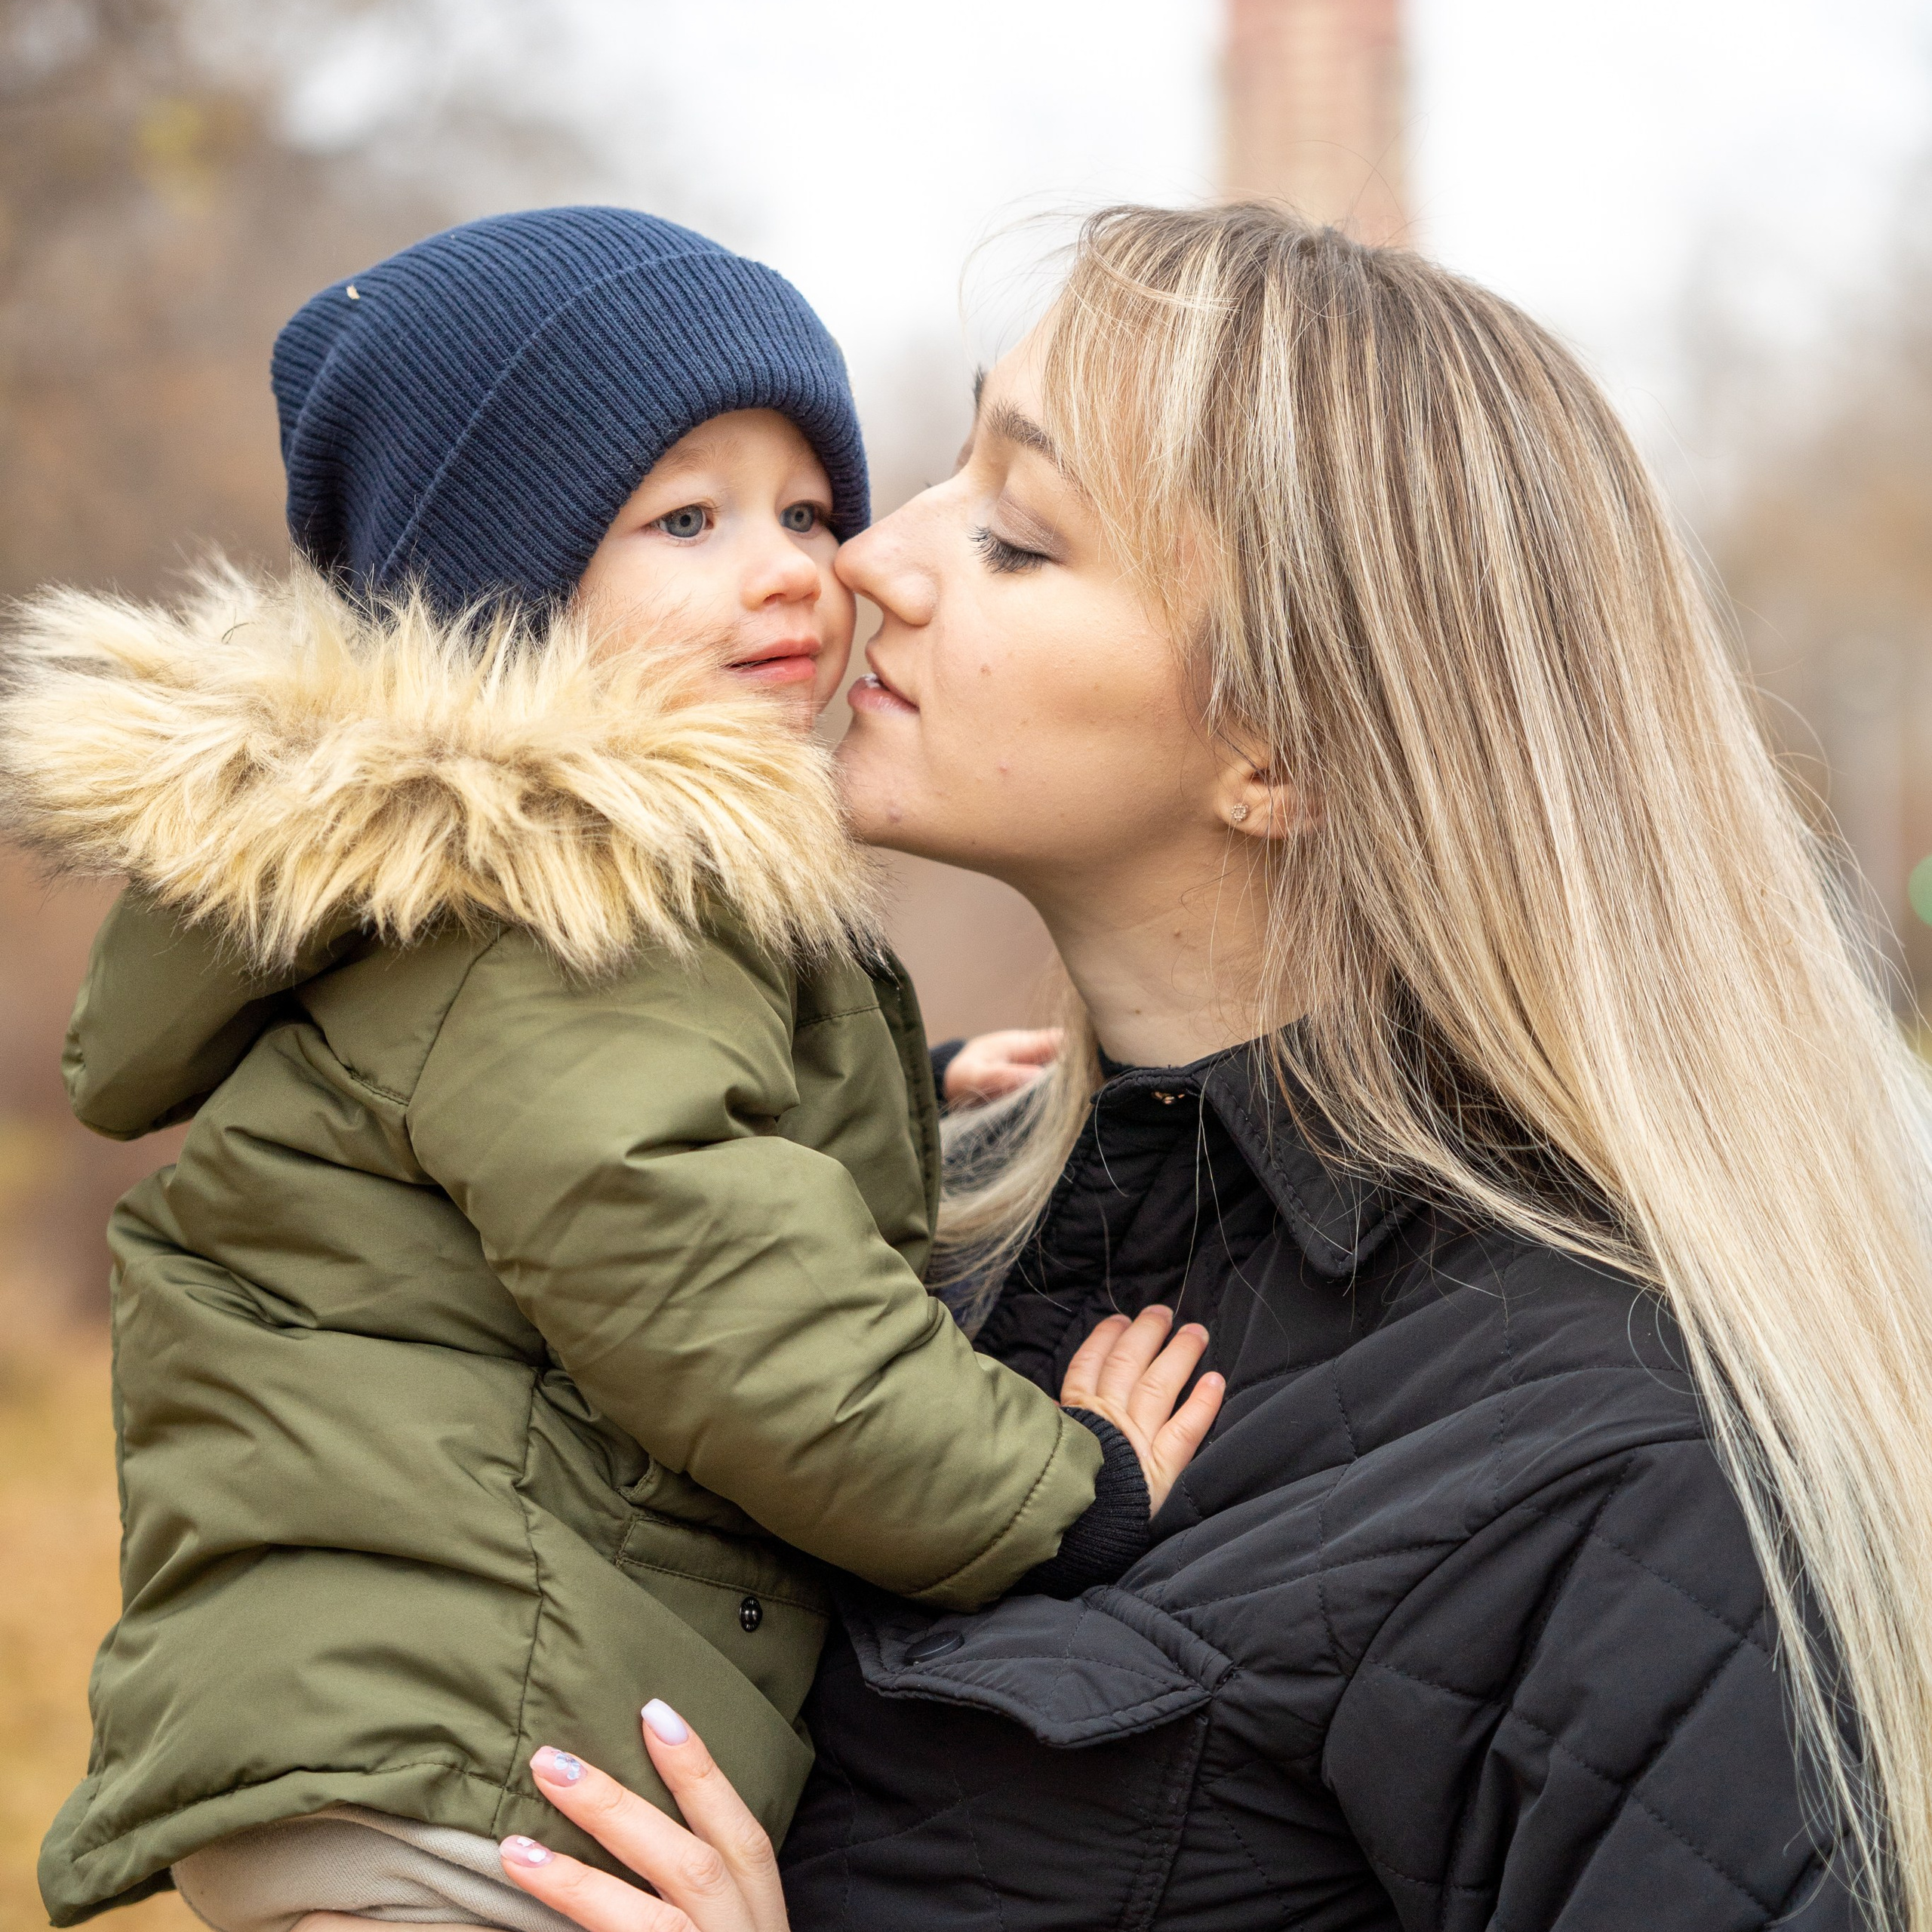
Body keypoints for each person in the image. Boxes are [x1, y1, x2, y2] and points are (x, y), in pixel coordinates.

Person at [482, 204, 1932, 1932]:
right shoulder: (890, 1225)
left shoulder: (1620, 1465)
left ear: (1280, 749)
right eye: (947, 466)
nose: (870, 559)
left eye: (1018, 536)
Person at [0, 208, 1224, 1932]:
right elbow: (721, 1285)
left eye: (807, 507)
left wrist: (897, 1093)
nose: (797, 566)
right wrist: (1053, 1489)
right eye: (688, 518)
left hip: (399, 1734)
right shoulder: (567, 909)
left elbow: (627, 1151)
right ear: (502, 599)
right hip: (456, 1765)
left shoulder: (520, 925)